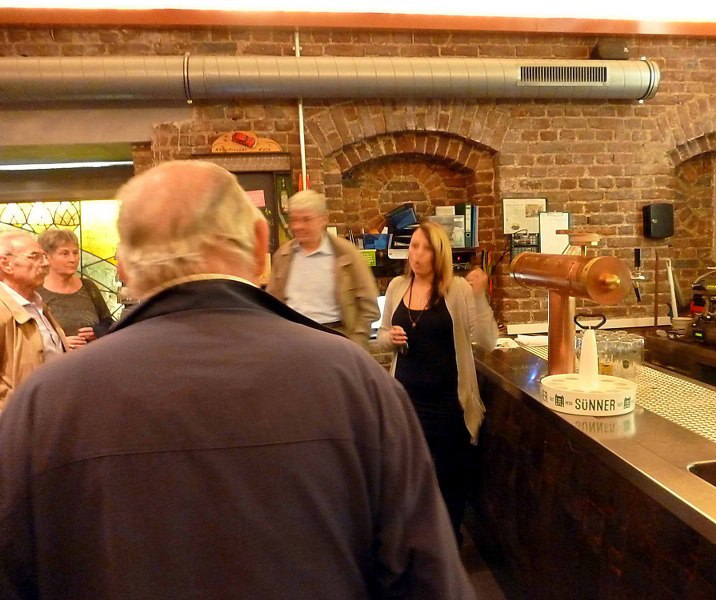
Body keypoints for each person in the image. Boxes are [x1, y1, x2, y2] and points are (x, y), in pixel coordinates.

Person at [0, 161, 474, 600]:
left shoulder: (45, 403)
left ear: (122, 264)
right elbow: (429, 582)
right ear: (260, 241)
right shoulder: (360, 386)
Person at [377, 220, 498, 546]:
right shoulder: (397, 287)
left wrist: (480, 296)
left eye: (426, 248)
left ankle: (448, 547)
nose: (417, 254)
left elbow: (487, 340)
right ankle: (414, 547)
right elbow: (382, 336)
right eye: (413, 246)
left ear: (439, 253)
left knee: (449, 483)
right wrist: (389, 337)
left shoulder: (457, 290)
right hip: (405, 402)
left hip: (448, 405)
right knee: (407, 482)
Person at [268, 189, 380, 348]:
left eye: (306, 219)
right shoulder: (282, 256)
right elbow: (271, 305)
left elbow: (369, 306)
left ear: (323, 220)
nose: (298, 226)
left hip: (336, 341)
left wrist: (355, 343)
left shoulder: (347, 254)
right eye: (294, 219)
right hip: (294, 342)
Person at [0, 230, 67, 411]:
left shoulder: (37, 305)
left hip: (48, 413)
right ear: (6, 264)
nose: (45, 263)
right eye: (35, 257)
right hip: (17, 419)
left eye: (44, 256)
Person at [37, 229, 115, 351]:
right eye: (65, 253)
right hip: (55, 361)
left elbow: (108, 323)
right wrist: (59, 344)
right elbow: (27, 337)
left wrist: (96, 332)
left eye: (75, 253)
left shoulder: (88, 287)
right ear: (47, 257)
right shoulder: (36, 291)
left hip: (92, 358)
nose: (72, 259)